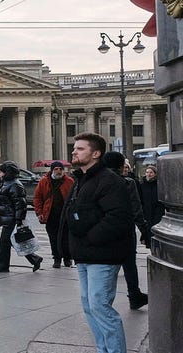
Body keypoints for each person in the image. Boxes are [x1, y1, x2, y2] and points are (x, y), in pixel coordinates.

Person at [63, 132, 133, 353]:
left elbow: (117, 219)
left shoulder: (110, 181)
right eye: (74, 148)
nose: (74, 151)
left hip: (102, 255)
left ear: (96, 153)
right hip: (84, 255)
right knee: (89, 307)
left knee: (100, 307)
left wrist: (89, 239)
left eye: (80, 148)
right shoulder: (81, 179)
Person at [100, 151, 149, 310]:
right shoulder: (128, 183)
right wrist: (144, 231)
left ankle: (102, 299)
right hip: (124, 230)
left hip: (102, 231)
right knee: (129, 264)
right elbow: (136, 210)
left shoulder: (95, 182)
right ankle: (134, 295)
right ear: (122, 167)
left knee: (105, 265)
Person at [0, 161, 43, 272]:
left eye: (0, 172)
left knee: (4, 243)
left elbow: (20, 204)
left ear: (7, 172)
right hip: (9, 217)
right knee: (14, 241)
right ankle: (35, 259)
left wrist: (18, 219)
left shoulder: (15, 185)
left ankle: (2, 266)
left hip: (12, 219)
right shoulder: (8, 183)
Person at [33, 161, 74, 268]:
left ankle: (67, 258)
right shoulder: (44, 181)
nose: (59, 171)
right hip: (50, 215)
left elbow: (74, 198)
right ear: (52, 170)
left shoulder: (69, 181)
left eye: (61, 169)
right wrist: (39, 213)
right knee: (53, 238)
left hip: (65, 215)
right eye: (56, 169)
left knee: (66, 238)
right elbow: (37, 198)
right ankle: (57, 258)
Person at [139, 166, 163, 247]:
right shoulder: (142, 185)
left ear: (155, 174)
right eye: (147, 172)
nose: (148, 174)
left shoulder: (159, 185)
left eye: (151, 172)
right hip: (146, 212)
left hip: (157, 212)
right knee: (147, 230)